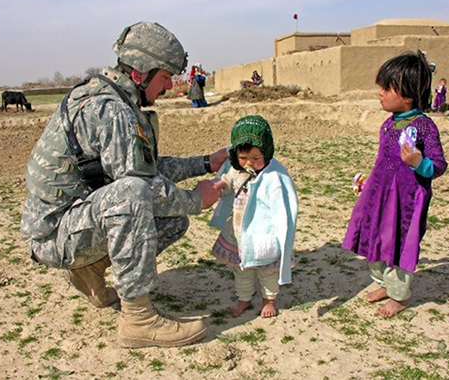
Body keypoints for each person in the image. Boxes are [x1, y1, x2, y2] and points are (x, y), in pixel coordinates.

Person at [20, 22, 228, 348]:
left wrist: (205, 163)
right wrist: (195, 199)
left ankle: (90, 269)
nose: (170, 86)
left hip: (72, 224)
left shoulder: (114, 98)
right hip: (56, 236)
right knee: (133, 195)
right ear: (139, 74)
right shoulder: (111, 109)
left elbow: (148, 168)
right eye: (164, 77)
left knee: (171, 219)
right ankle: (138, 320)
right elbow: (140, 184)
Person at [342, 51, 447, 318]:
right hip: (380, 195)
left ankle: (400, 297)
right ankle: (384, 284)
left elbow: (438, 166)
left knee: (400, 244)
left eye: (387, 88)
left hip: (407, 201)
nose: (380, 93)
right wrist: (369, 185)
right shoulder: (388, 125)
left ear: (409, 95)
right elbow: (383, 162)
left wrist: (417, 162)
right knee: (374, 237)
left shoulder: (424, 127)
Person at [210, 116, 298, 318]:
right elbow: (227, 181)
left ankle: (269, 300)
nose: (249, 163)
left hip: (264, 234)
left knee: (268, 271)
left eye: (256, 158)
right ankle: (244, 299)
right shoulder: (236, 170)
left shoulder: (274, 174)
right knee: (242, 270)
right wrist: (219, 187)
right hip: (240, 233)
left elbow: (285, 205)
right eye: (243, 158)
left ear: (266, 152)